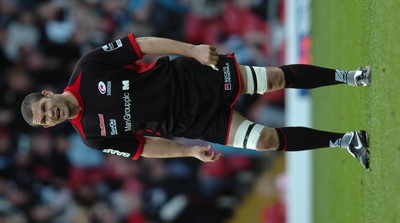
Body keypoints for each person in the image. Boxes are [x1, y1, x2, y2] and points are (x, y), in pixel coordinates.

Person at [21, 33, 371, 169]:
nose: (49, 116)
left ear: (48, 95)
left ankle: (351, 76)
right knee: (265, 140)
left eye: (44, 109)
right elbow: (146, 148)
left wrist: (193, 51)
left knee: (273, 78)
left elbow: (141, 45)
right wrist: (188, 150)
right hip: (190, 123)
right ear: (48, 126)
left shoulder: (88, 68)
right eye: (44, 121)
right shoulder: (92, 137)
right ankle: (346, 141)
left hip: (192, 79)